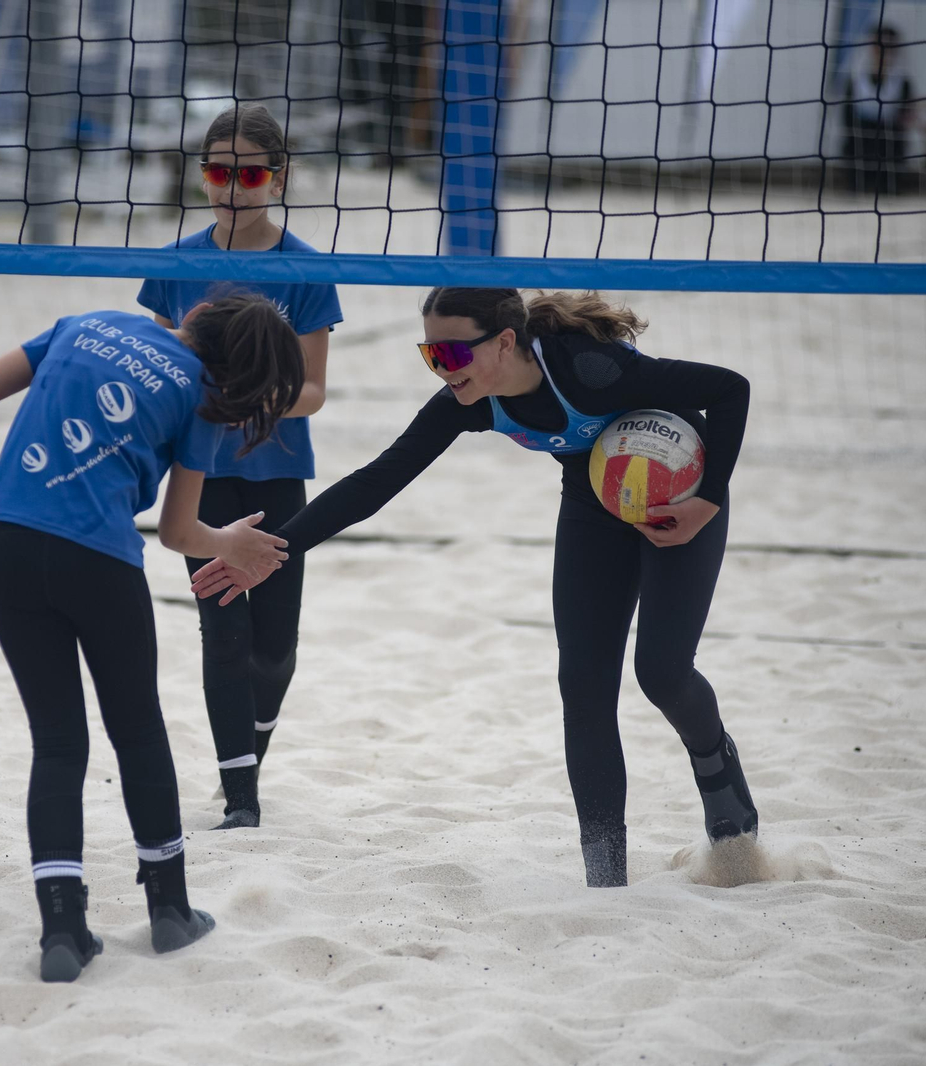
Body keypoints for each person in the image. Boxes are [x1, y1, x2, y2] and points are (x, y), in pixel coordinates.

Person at [191, 288, 756, 889]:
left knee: (662, 673)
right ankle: (606, 879)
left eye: (453, 353)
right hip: (593, 504)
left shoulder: (593, 369)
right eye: (431, 354)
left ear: (506, 342)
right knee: (583, 686)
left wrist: (706, 501)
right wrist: (273, 553)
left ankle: (715, 767)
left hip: (681, 495)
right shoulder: (469, 400)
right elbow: (377, 480)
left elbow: (730, 389)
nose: (442, 368)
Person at [0, 295, 304, 981]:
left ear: (202, 312)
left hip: (9, 544)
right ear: (241, 375)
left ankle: (62, 930)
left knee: (57, 742)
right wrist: (230, 543)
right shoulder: (203, 395)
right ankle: (169, 911)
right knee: (138, 730)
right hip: (99, 558)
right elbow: (178, 533)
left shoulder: (87, 323)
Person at [137, 104, 343, 831]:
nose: (232, 186)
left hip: (279, 472)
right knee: (223, 636)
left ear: (277, 180)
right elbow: (161, 368)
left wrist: (246, 400)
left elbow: (312, 391)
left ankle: (250, 757)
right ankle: (240, 798)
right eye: (219, 171)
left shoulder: (307, 269)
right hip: (202, 473)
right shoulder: (176, 263)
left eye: (249, 174)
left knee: (275, 649)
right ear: (202, 176)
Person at [843, 23, 920, 195]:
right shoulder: (856, 79)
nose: (883, 52)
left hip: (889, 143)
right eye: (878, 46)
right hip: (860, 140)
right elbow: (847, 116)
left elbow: (904, 116)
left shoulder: (902, 82)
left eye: (889, 47)